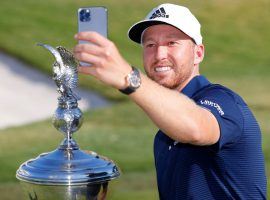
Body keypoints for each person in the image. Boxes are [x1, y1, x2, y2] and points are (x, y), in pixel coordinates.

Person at [73, 3, 267, 199]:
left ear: (198, 53)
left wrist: (128, 77)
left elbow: (196, 127)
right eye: (150, 45)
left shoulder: (223, 100)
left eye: (171, 43)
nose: (159, 55)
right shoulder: (164, 135)